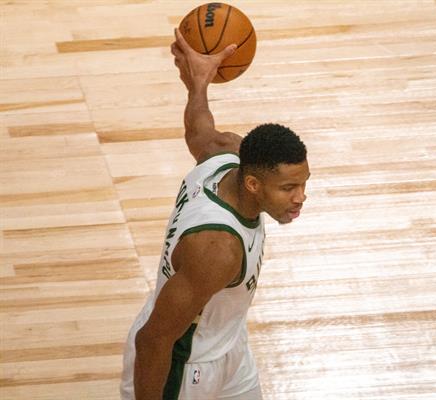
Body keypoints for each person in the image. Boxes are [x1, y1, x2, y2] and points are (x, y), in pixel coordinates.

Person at [120, 28, 310, 400]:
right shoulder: (217, 249)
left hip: (226, 342)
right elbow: (153, 340)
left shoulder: (226, 155)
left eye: (303, 184)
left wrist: (198, 83)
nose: (301, 197)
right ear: (253, 184)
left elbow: (199, 129)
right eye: (289, 188)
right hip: (183, 366)